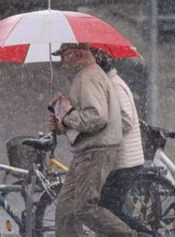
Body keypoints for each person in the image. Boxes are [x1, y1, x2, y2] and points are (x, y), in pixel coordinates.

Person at [48, 43, 138, 237]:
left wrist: (66, 116)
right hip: (88, 150)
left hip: (95, 151)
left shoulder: (88, 76)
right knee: (66, 209)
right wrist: (62, 124)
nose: (61, 61)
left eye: (64, 55)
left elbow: (97, 117)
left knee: (83, 208)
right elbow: (91, 118)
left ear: (79, 54)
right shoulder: (87, 76)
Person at [90, 48, 149, 234]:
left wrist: (102, 134)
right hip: (120, 162)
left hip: (124, 162)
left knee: (109, 212)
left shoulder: (114, 86)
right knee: (110, 211)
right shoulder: (110, 84)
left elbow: (126, 120)